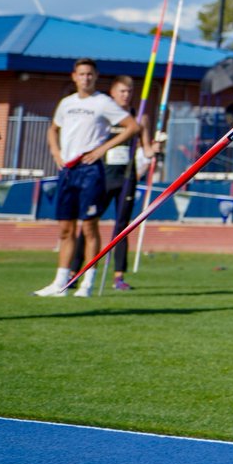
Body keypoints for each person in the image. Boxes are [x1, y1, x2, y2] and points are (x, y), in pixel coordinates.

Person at [34, 59, 140, 299]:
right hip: (68, 170)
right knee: (65, 229)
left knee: (89, 227)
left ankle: (87, 282)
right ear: (74, 76)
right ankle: (60, 282)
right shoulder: (66, 103)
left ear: (96, 76)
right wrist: (56, 153)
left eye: (90, 74)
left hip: (90, 170)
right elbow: (53, 129)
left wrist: (102, 149)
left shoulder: (103, 102)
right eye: (81, 74)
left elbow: (132, 126)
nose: (86, 78)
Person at [69, 75, 154, 291]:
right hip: (103, 176)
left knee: (122, 227)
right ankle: (74, 272)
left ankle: (118, 276)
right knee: (89, 223)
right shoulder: (104, 116)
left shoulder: (139, 117)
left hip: (127, 177)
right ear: (113, 94)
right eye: (122, 91)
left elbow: (147, 149)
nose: (126, 95)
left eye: (129, 92)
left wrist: (157, 147)